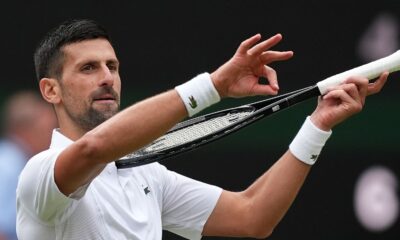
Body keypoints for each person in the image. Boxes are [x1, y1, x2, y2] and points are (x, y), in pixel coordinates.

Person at [16, 19, 388, 240]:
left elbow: (252, 215)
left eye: (112, 67)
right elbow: (93, 149)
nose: (107, 79)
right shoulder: (39, 174)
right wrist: (214, 86)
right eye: (88, 68)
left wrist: (318, 125)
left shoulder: (147, 175)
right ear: (51, 90)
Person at [0, 90, 57, 240]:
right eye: (47, 131)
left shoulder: (14, 159)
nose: (51, 140)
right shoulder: (8, 166)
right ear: (24, 130)